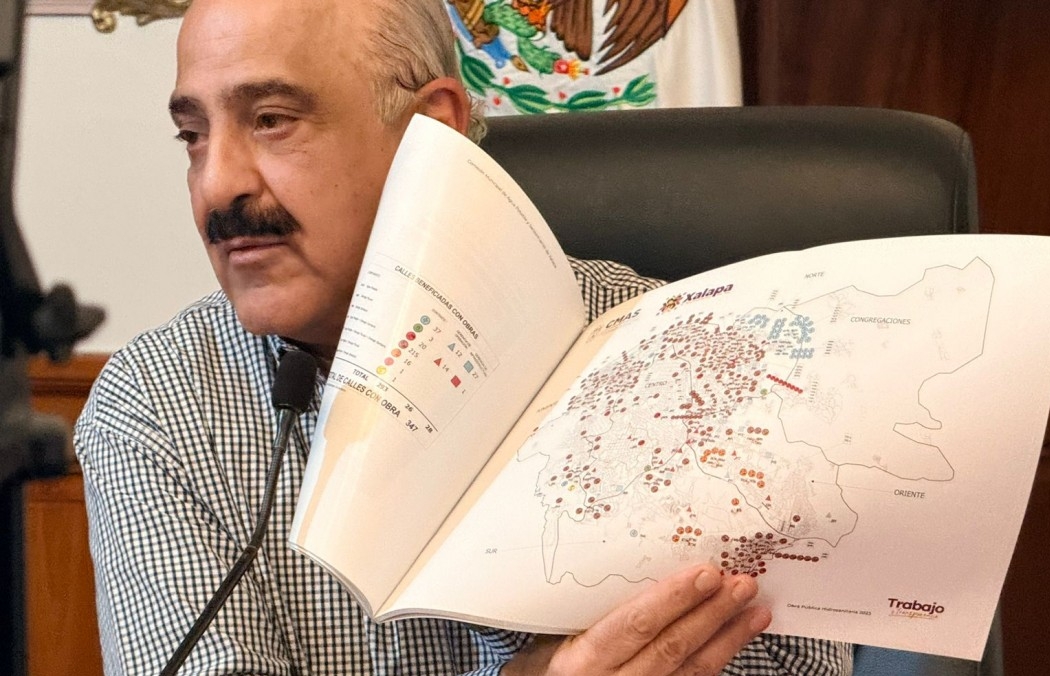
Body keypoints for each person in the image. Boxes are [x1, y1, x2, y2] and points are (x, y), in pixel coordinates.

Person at [74, 0, 853, 674]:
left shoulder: (673, 354)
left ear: (430, 130)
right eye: (192, 135)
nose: (217, 184)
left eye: (272, 120)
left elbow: (800, 663)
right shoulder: (159, 403)